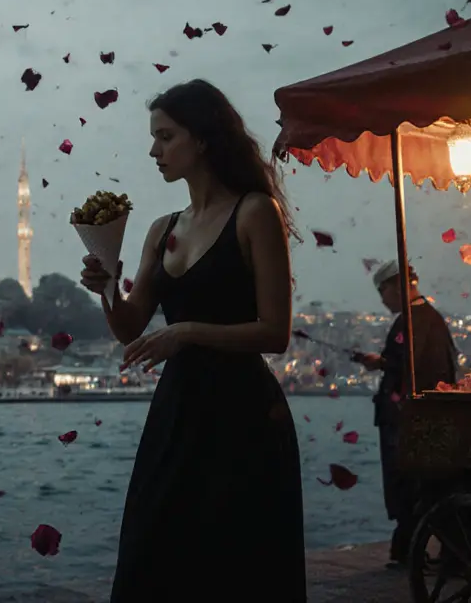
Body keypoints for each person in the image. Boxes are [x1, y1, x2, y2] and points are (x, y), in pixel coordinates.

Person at [79, 79, 305, 601]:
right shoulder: (162, 229)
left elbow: (276, 333)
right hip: (179, 417)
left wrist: (185, 333)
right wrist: (107, 287)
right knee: (152, 557)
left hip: (243, 417)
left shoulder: (254, 213)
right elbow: (130, 327)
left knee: (234, 568)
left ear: (201, 140)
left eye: (166, 136)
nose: (154, 150)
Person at [353, 261, 459, 567]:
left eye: (383, 290)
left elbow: (407, 365)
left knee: (409, 484)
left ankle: (409, 547)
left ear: (397, 286)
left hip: (408, 419)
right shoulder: (429, 318)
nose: (382, 298)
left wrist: (382, 362)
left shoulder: (412, 320)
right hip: (424, 415)